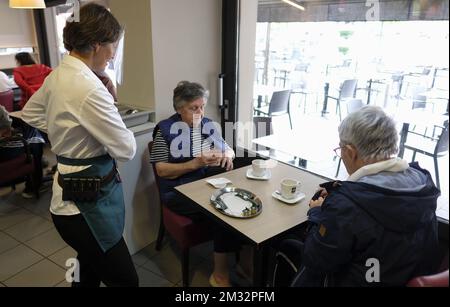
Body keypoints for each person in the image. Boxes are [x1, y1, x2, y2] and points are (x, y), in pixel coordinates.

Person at [21, 3, 138, 287]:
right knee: (127, 281)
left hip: (68, 199)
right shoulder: (89, 88)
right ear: (97, 45)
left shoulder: (60, 74)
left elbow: (31, 114)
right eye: (113, 46)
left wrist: (68, 133)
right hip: (84, 211)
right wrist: (105, 106)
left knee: (87, 272)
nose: (113, 54)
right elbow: (126, 148)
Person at [274, 106, 440, 287]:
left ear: (351, 152)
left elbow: (315, 259)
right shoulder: (421, 183)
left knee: (288, 247)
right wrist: (340, 193)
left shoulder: (347, 206)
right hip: (400, 275)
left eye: (340, 149)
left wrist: (317, 213)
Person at [150, 81, 246, 287]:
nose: (200, 113)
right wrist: (195, 163)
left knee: (238, 203)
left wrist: (227, 155)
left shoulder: (207, 125)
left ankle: (242, 262)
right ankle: (219, 274)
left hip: (204, 185)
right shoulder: (165, 131)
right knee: (222, 213)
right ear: (179, 108)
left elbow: (229, 149)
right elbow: (161, 170)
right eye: (194, 108)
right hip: (178, 191)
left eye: (202, 107)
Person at [0, 106, 46, 198]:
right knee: (34, 135)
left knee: (30, 134)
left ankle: (34, 177)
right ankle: (33, 185)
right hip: (3, 150)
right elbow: (6, 128)